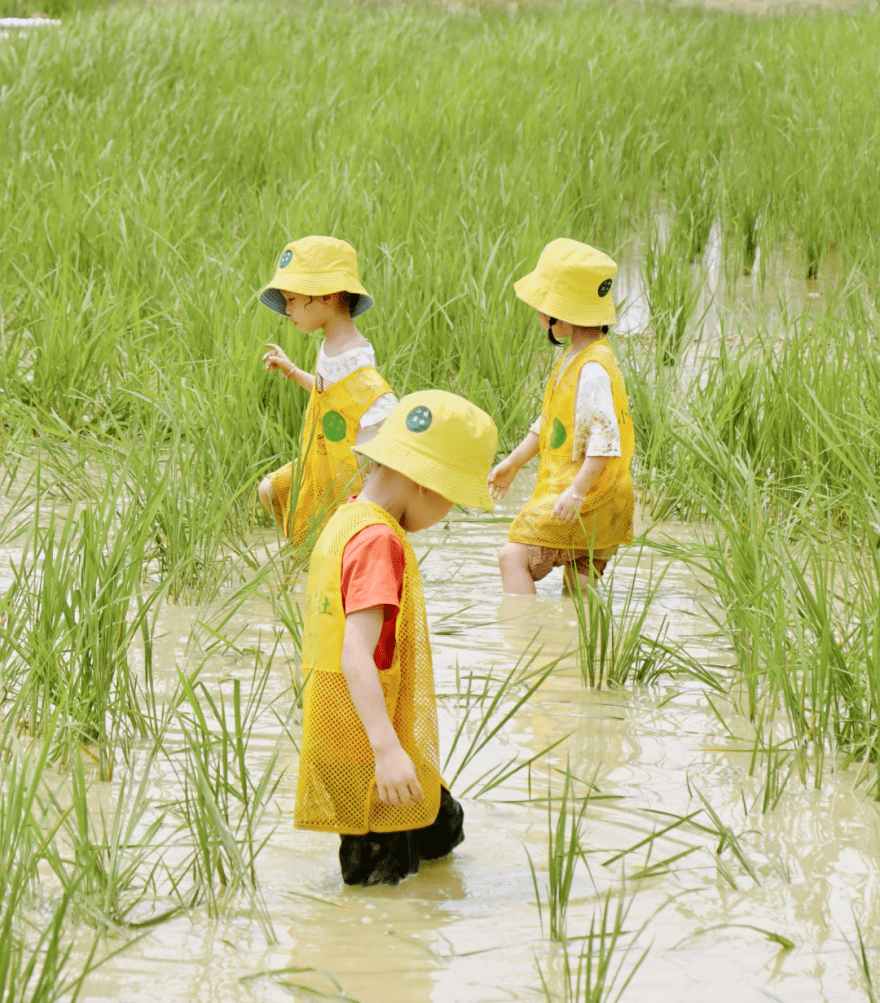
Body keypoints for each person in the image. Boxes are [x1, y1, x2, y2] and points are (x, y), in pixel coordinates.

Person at [293, 390, 498, 885]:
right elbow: (355, 654)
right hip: (365, 751)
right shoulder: (379, 542)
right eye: (452, 499)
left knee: (442, 828)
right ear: (428, 485)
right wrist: (386, 752)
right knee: (381, 887)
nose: (446, 513)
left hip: (355, 732)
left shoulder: (347, 518)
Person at [488, 238, 634, 594]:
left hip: (586, 491)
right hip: (606, 495)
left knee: (512, 557)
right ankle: (574, 647)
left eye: (542, 307)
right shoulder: (577, 356)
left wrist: (576, 493)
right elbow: (549, 424)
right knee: (579, 591)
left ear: (563, 312)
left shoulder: (593, 369)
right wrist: (513, 462)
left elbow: (604, 441)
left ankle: (519, 638)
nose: (539, 315)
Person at [257, 235, 398, 548]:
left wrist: (378, 479)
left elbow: (380, 409)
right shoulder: (330, 345)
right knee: (269, 490)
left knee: (343, 542)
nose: (287, 311)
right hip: (321, 462)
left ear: (327, 295)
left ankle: (319, 560)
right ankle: (305, 553)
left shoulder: (355, 355)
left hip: (350, 471)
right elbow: (330, 393)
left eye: (292, 300)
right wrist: (293, 372)